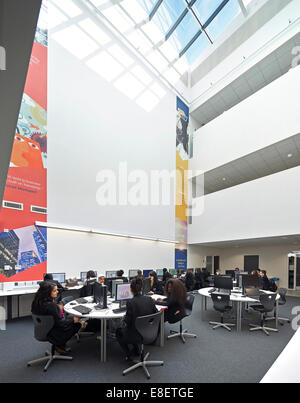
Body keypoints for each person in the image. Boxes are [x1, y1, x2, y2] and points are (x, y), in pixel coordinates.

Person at [31, 282, 82, 353]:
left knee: (69, 319)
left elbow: (48, 314)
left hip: (42, 331)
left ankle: (59, 345)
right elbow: (61, 324)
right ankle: (60, 344)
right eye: (54, 291)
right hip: (54, 333)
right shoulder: (51, 306)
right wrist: (73, 320)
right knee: (77, 324)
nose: (57, 292)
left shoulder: (36, 303)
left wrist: (57, 309)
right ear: (47, 292)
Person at [116, 277, 158, 361]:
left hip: (136, 335)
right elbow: (156, 313)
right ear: (141, 288)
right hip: (150, 332)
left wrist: (125, 317)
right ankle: (137, 350)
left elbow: (128, 322)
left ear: (131, 289)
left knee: (118, 331)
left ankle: (129, 355)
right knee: (134, 327)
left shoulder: (130, 302)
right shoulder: (149, 299)